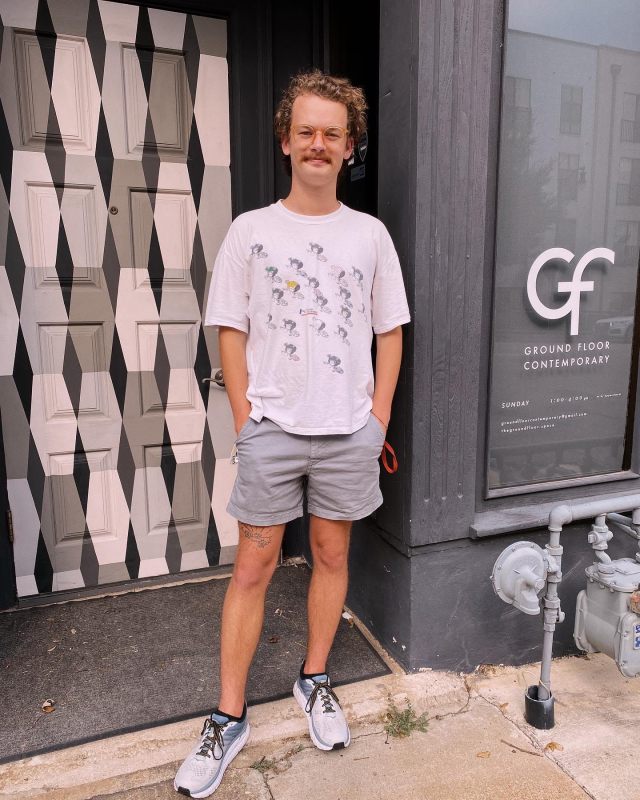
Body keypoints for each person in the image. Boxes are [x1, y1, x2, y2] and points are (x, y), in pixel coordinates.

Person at [174, 70, 410, 798]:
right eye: (306, 131)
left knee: (332, 554)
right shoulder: (251, 231)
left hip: (348, 430)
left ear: (349, 146)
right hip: (272, 429)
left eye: (332, 133)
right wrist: (245, 419)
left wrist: (377, 419)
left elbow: (390, 330)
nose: (318, 143)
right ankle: (228, 716)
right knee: (253, 566)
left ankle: (314, 679)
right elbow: (229, 327)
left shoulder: (369, 235)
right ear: (285, 140)